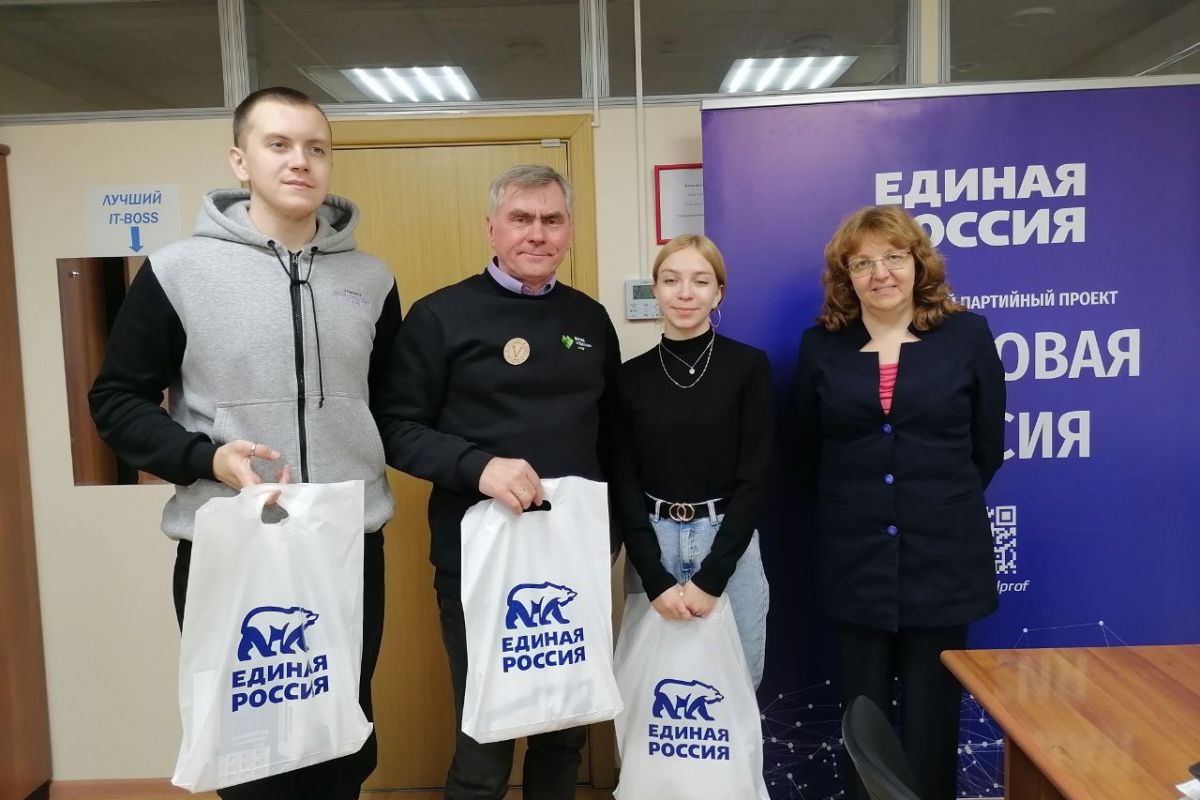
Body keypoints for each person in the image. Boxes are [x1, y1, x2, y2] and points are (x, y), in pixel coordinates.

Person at [88, 86, 401, 800]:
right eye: (278, 145)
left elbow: (390, 408)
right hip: (229, 543)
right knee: (250, 752)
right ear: (240, 160)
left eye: (316, 148)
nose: (300, 162)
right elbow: (116, 401)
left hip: (345, 545)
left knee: (341, 744)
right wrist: (205, 458)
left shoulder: (372, 278)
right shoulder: (178, 271)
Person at [375, 164, 620, 800]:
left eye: (552, 219)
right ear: (492, 228)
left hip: (570, 559)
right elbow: (395, 428)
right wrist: (478, 467)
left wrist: (610, 535)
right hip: (479, 562)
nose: (537, 233)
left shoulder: (590, 320)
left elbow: (612, 438)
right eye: (521, 218)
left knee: (564, 732)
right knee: (485, 743)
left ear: (568, 231)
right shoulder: (439, 317)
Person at [791, 205, 1005, 800]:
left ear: (918, 264)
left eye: (893, 257)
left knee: (933, 721)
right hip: (856, 560)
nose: (880, 273)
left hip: (943, 561)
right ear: (846, 276)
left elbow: (986, 449)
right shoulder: (821, 347)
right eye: (862, 263)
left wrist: (931, 503)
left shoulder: (967, 336)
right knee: (864, 723)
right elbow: (805, 450)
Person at [613, 234, 772, 687]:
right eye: (671, 280)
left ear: (718, 292)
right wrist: (655, 577)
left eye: (700, 281)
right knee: (654, 693)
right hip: (653, 544)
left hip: (727, 544)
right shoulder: (628, 377)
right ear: (656, 289)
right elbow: (623, 479)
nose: (685, 293)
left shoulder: (749, 367)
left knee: (733, 690)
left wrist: (713, 576)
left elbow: (756, 476)